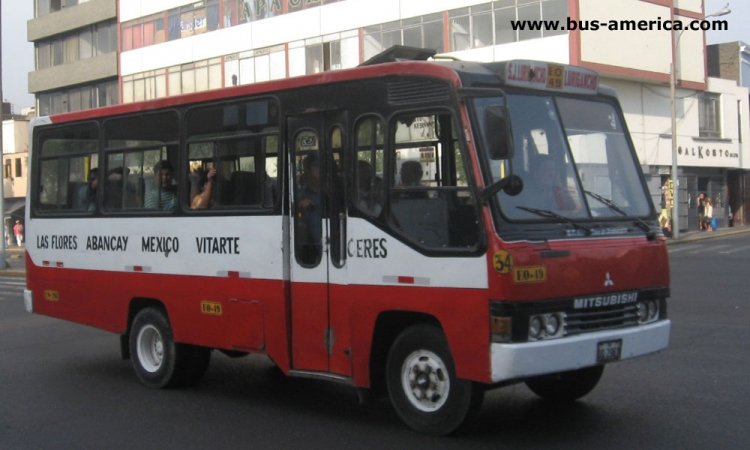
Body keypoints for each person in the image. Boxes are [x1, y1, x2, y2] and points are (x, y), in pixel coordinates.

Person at [296, 154, 322, 263]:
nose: (318, 170)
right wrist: (299, 206)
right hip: (310, 244)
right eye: (314, 167)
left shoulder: (330, 190)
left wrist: (315, 205)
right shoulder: (301, 194)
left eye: (319, 166)